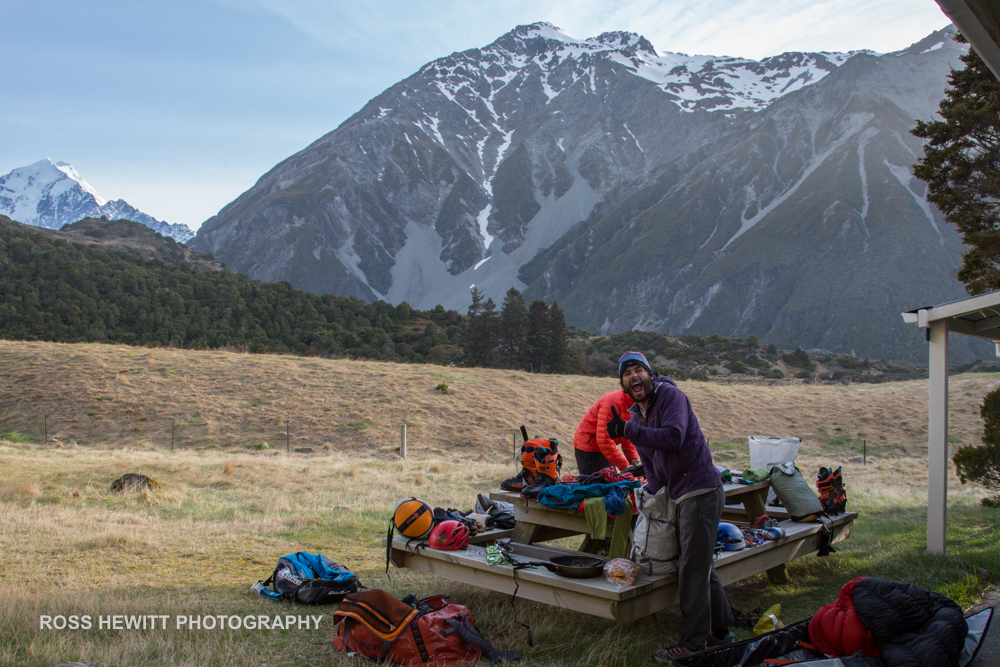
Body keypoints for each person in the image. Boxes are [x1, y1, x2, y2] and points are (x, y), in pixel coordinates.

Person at [606, 351, 734, 662]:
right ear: (623, 384)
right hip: (677, 497)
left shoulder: (672, 397)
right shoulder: (638, 415)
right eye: (627, 374)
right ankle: (722, 630)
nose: (634, 376)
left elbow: (674, 437)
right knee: (702, 565)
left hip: (700, 491)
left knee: (692, 569)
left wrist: (628, 431)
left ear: (650, 374)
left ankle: (692, 644)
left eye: (639, 370)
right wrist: (652, 495)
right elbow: (649, 460)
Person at [573, 390, 640, 474]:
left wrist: (632, 457)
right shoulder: (613, 403)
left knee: (612, 481)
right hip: (589, 447)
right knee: (599, 485)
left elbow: (626, 432)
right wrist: (624, 466)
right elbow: (604, 440)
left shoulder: (635, 405)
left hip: (605, 449)